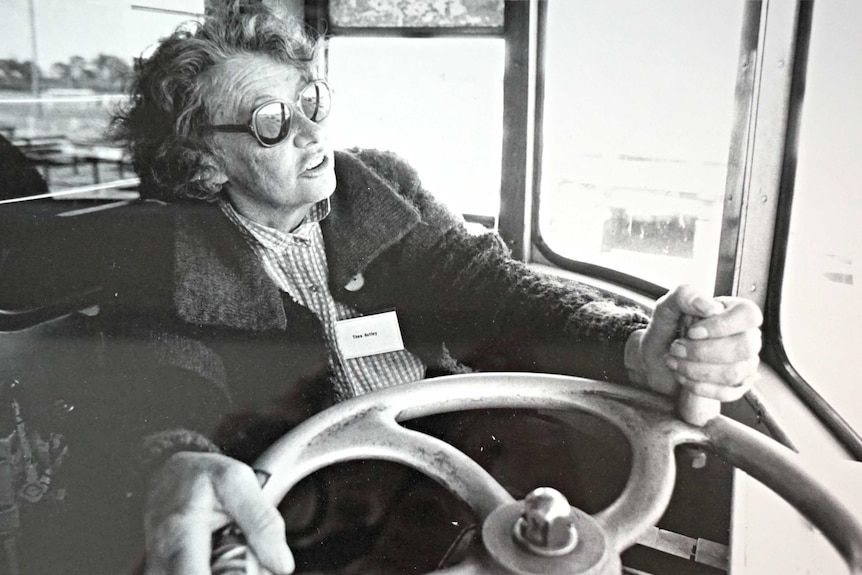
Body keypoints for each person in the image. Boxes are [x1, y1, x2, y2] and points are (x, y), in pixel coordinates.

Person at [98, 2, 762, 574]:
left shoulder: (375, 187)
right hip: (332, 518)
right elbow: (163, 387)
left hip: (468, 460)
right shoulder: (166, 255)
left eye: (309, 101)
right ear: (205, 162)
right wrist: (175, 462)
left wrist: (632, 343)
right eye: (272, 122)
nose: (310, 132)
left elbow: (496, 291)